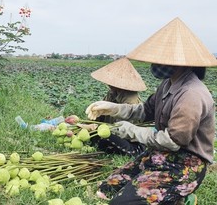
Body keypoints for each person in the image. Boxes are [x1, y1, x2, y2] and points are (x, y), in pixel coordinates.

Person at [85, 17, 216, 204]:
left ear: (178, 62)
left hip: (186, 164)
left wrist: (132, 131)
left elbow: (173, 141)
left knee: (121, 203)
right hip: (160, 153)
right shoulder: (167, 84)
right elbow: (145, 110)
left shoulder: (191, 94)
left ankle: (181, 195)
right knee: (107, 188)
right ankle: (169, 193)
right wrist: (114, 109)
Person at [89, 57, 147, 156]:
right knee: (90, 134)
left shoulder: (131, 99)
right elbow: (101, 115)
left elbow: (121, 128)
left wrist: (100, 128)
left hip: (129, 140)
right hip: (109, 131)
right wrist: (92, 124)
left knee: (106, 137)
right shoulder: (112, 93)